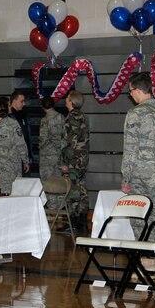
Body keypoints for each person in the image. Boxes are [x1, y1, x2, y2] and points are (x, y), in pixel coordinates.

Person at [121, 72, 155, 243]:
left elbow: (130, 149)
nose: (130, 95)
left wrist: (126, 177)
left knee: (139, 219)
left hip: (140, 177)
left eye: (130, 91)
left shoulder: (134, 114)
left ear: (138, 90)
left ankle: (145, 261)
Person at [0, 96, 29, 194]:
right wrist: (25, 160)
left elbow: (2, 153)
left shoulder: (3, 128)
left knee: (1, 200)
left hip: (3, 172)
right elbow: (21, 144)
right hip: (13, 168)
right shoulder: (12, 123)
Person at [61, 90, 90, 232]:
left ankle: (73, 222)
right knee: (82, 189)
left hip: (73, 160)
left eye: (67, 99)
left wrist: (65, 162)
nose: (65, 101)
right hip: (82, 159)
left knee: (72, 191)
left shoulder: (71, 118)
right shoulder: (83, 116)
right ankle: (83, 221)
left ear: (71, 101)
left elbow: (70, 142)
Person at [38, 96, 65, 209]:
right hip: (59, 156)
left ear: (43, 107)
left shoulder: (45, 120)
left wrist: (39, 147)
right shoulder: (61, 117)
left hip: (47, 158)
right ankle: (61, 210)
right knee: (59, 183)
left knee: (49, 184)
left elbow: (43, 139)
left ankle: (53, 211)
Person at [9, 90, 33, 163]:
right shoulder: (8, 118)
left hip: (25, 156)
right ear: (14, 101)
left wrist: (29, 156)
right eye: (21, 101)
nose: (24, 104)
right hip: (14, 159)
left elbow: (27, 136)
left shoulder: (24, 115)